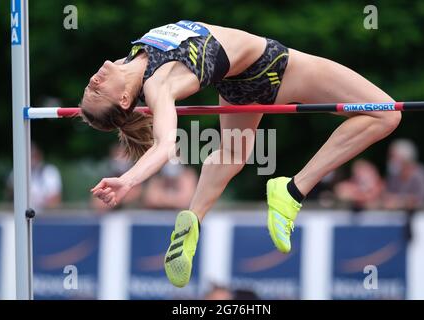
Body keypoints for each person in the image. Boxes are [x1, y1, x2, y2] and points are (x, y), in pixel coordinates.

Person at [80, 20, 401, 287]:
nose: (92, 81)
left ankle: (194, 218)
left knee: (233, 152)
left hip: (235, 82)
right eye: (97, 90)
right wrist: (129, 180)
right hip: (274, 67)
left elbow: (121, 111)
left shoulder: (128, 63)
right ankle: (293, 189)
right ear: (124, 99)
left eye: (88, 88)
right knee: (386, 113)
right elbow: (165, 145)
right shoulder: (157, 86)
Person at [6, 143, 62, 212]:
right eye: (29, 156)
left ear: (39, 155)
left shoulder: (50, 171)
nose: (32, 159)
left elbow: (55, 199)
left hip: (45, 216)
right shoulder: (16, 172)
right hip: (21, 214)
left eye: (33, 155)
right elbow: (10, 195)